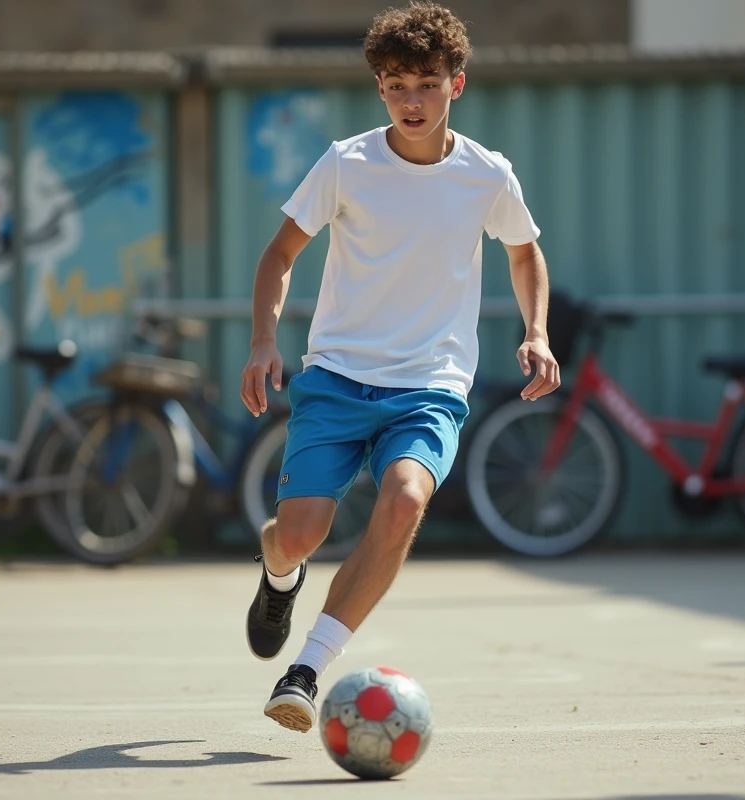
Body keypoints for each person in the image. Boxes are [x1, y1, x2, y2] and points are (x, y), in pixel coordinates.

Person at [239, 1, 560, 733]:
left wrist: (537, 332)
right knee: (300, 535)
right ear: (379, 88)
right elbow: (280, 254)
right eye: (395, 86)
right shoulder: (346, 163)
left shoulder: (486, 174)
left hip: (429, 384)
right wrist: (262, 341)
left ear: (457, 84)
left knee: (407, 499)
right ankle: (279, 571)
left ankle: (305, 670)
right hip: (337, 377)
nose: (411, 101)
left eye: (426, 84)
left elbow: (524, 252)